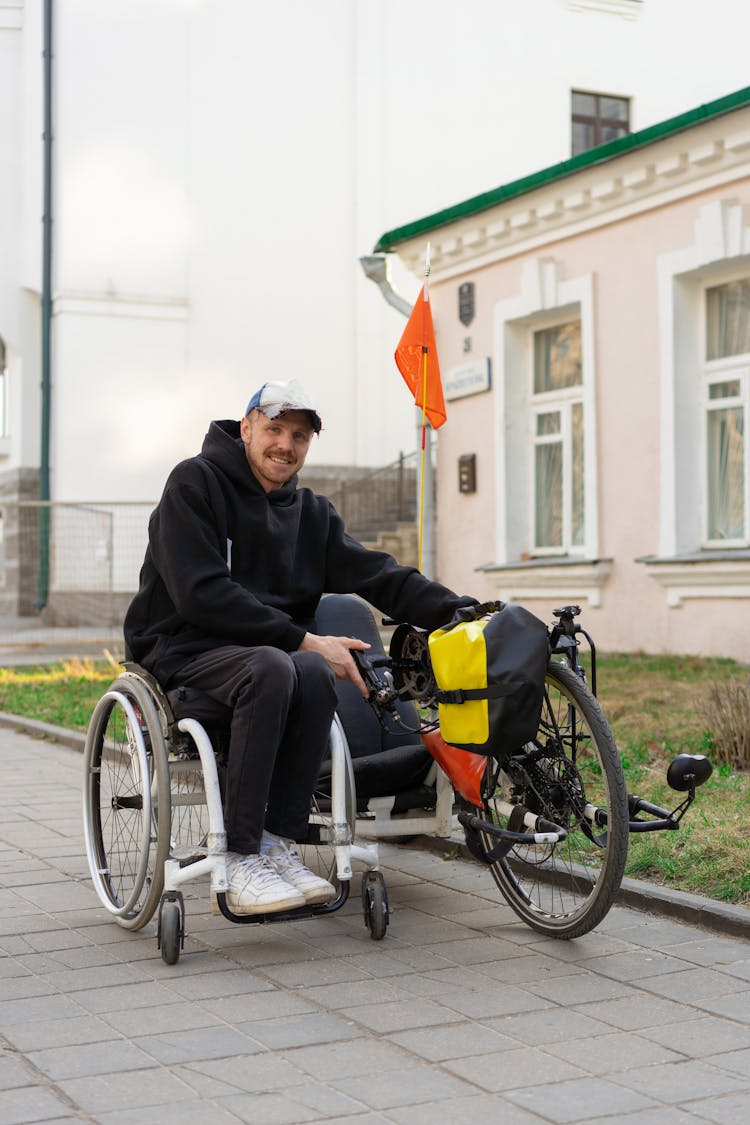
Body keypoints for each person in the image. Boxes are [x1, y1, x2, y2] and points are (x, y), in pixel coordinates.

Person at [124, 379, 476, 915]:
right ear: (246, 428)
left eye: (300, 436)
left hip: (267, 660)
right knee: (283, 662)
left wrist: (460, 611)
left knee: (308, 670)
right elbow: (201, 594)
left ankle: (274, 843)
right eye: (274, 429)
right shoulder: (194, 484)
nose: (286, 445)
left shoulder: (310, 513)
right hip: (185, 651)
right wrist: (304, 639)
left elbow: (379, 574)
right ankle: (241, 858)